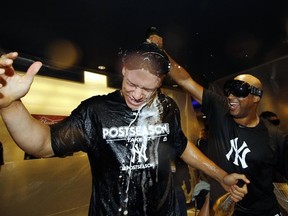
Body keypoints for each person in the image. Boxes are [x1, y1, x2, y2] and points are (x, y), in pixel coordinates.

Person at [0, 43, 248, 216]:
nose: (138, 95)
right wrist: (10, 104)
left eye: (148, 89)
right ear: (124, 70)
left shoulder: (166, 106)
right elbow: (42, 144)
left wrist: (220, 175)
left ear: (160, 83)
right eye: (132, 83)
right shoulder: (96, 111)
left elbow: (180, 145)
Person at [164, 41, 288, 215]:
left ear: (256, 98)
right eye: (229, 90)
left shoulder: (274, 137)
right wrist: (159, 52)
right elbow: (184, 79)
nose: (231, 96)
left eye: (239, 90)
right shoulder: (220, 108)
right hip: (221, 207)